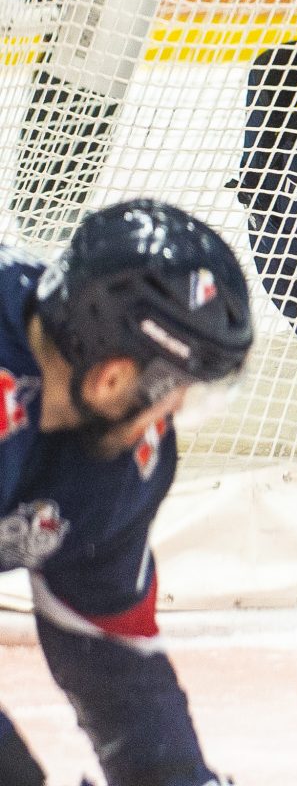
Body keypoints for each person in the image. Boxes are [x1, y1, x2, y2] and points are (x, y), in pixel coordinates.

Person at [0, 199, 254, 786]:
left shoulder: (123, 460)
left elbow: (108, 653)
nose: (177, 409)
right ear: (112, 376)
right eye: (179, 388)